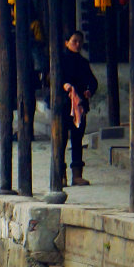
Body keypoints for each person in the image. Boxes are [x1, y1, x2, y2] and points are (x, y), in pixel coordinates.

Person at [58, 31, 98, 186]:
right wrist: (65, 86)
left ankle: (77, 175)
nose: (77, 44)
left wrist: (89, 91)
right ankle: (60, 174)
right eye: (74, 41)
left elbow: (93, 82)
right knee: (60, 141)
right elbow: (52, 78)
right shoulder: (60, 61)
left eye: (80, 41)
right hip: (63, 105)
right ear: (66, 42)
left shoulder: (83, 62)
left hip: (79, 106)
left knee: (77, 139)